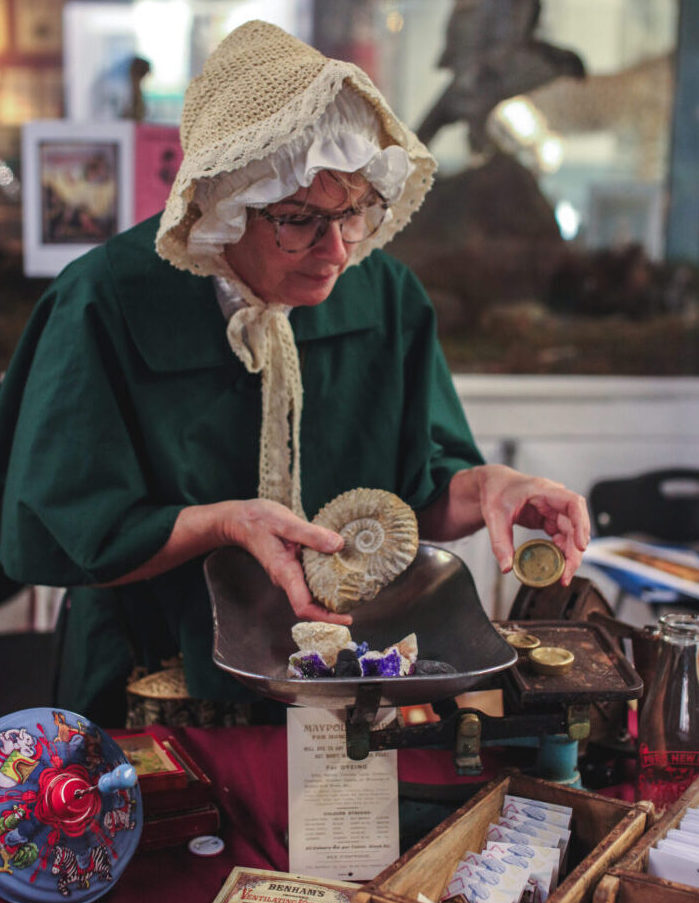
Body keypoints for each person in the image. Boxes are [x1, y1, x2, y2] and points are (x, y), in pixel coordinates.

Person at [0, 21, 589, 726]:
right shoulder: (107, 300)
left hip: (348, 681)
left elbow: (415, 499)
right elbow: (66, 534)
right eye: (300, 218)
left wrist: (488, 486)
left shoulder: (387, 299)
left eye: (355, 213)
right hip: (153, 678)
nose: (336, 250)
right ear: (224, 203)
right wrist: (224, 523)